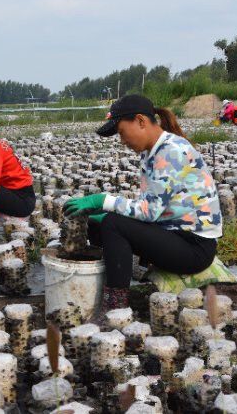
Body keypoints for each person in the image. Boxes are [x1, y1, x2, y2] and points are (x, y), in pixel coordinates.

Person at [63, 95, 221, 312]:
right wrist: (101, 212)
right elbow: (149, 204)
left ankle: (115, 306)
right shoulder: (152, 152)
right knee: (99, 225)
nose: (123, 141)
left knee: (113, 224)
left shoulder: (171, 151)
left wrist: (104, 201)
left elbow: (149, 213)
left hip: (194, 247)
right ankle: (113, 275)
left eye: (121, 133)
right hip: (174, 233)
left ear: (140, 121)